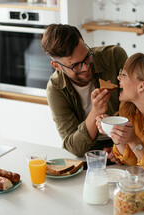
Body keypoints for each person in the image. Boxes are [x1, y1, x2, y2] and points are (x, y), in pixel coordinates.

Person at [41, 24, 128, 158]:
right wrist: (96, 111)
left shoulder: (114, 57)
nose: (86, 68)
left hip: (127, 139)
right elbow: (74, 147)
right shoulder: (55, 89)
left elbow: (137, 108)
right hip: (89, 151)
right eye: (75, 65)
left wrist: (120, 148)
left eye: (87, 57)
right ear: (57, 66)